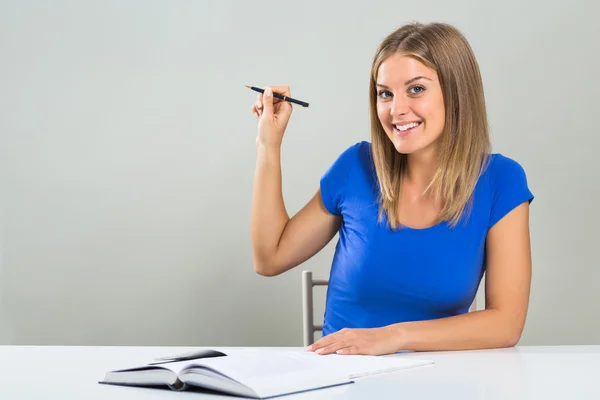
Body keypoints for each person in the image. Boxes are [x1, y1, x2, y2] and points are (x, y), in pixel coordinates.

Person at [249, 22, 533, 355]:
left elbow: (506, 323)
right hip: (342, 378)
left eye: (415, 89)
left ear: (456, 93)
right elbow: (270, 258)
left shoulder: (501, 180)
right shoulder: (355, 167)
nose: (395, 110)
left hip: (443, 379)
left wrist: (393, 336)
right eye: (385, 93)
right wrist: (269, 143)